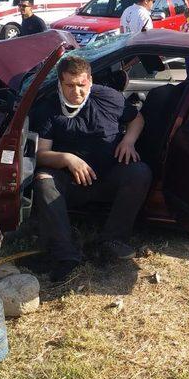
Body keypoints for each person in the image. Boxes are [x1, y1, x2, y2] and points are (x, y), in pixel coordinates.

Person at [31, 55, 152, 282]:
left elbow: (137, 119)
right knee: (43, 179)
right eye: (69, 85)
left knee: (140, 172)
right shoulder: (48, 108)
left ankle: (112, 240)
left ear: (90, 80)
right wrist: (67, 159)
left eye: (81, 85)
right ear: (60, 83)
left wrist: (128, 141)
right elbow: (41, 154)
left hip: (107, 176)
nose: (76, 91)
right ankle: (65, 254)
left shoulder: (108, 98)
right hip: (70, 183)